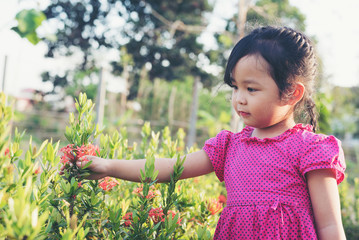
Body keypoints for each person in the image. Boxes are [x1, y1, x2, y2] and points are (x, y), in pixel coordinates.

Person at [65, 26, 347, 239]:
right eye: (235, 87)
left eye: (251, 88)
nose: (239, 98)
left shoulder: (312, 149)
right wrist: (109, 166)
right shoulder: (229, 146)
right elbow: (171, 168)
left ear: (291, 92)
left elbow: (331, 225)